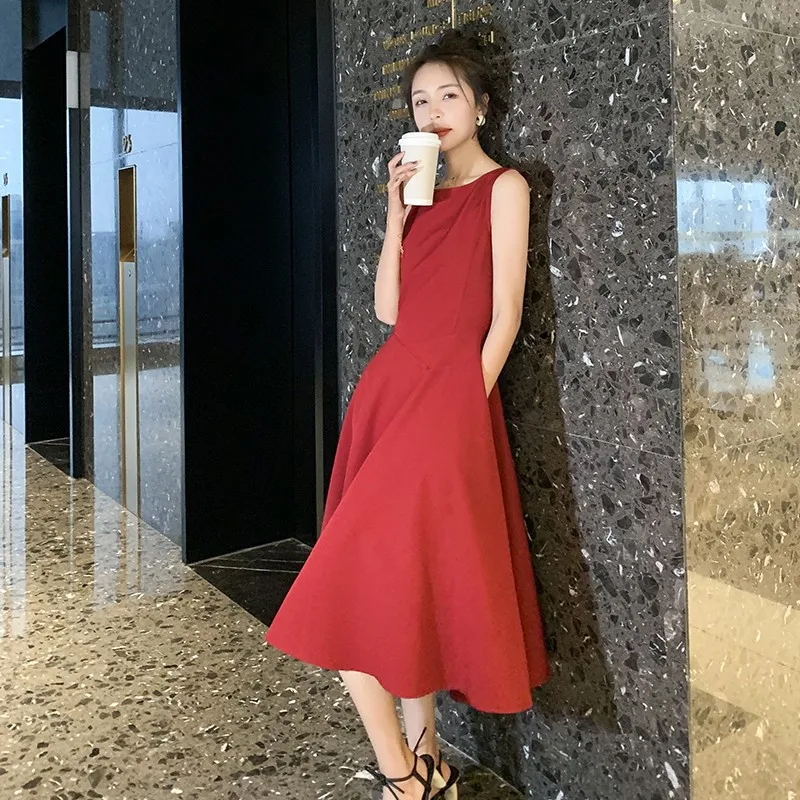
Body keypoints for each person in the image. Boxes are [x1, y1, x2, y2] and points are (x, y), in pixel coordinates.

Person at [265, 28, 550, 800]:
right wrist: (394, 215)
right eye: (421, 101)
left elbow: (507, 315)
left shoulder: (506, 188)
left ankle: (403, 780)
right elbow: (389, 311)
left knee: (343, 588)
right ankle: (427, 767)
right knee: (398, 588)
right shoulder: (420, 196)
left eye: (448, 95)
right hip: (390, 395)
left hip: (448, 401)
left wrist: (463, 406)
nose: (434, 112)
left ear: (481, 105)